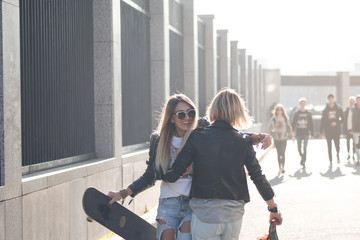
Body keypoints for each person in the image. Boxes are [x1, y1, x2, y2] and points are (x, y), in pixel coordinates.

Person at [107, 93, 273, 240]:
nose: (187, 117)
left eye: (191, 112)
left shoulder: (199, 131)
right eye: (181, 114)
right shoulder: (159, 140)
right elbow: (150, 175)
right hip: (168, 203)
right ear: (172, 117)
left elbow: (228, 134)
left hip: (193, 204)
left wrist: (258, 137)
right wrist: (123, 193)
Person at [163, 88, 283, 240]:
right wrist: (273, 208)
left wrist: (157, 169)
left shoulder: (196, 137)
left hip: (204, 214)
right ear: (238, 111)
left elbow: (173, 174)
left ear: (213, 108)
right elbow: (258, 176)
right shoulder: (243, 141)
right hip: (233, 215)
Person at [320, 94, 344, 167]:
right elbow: (322, 121)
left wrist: (337, 123)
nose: (331, 100)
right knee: (329, 146)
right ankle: (330, 161)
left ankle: (337, 155)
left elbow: (343, 118)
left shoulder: (338, 108)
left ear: (333, 99)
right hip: (328, 131)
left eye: (332, 98)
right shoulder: (325, 110)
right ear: (328, 100)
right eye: (329, 99)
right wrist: (321, 132)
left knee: (337, 145)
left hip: (336, 130)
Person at [269, 104, 293, 174]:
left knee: (282, 153)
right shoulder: (273, 119)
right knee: (278, 153)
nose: (279, 111)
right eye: (278, 109)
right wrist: (274, 126)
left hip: (284, 138)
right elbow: (269, 129)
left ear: (283, 111)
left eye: (281, 109)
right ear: (276, 111)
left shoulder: (285, 118)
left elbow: (289, 127)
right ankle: (279, 167)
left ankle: (283, 167)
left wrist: (292, 136)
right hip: (276, 138)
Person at [292, 98, 314, 168]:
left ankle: (304, 161)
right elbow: (293, 123)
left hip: (306, 132)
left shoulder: (308, 113)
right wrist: (293, 132)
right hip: (299, 132)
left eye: (304, 103)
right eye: (301, 103)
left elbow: (311, 124)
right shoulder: (297, 113)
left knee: (305, 147)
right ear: (300, 104)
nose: (303, 104)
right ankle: (302, 157)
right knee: (299, 147)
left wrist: (312, 134)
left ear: (305, 104)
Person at [343, 96, 356, 162]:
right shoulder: (346, 111)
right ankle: (348, 154)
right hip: (348, 129)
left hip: (354, 130)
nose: (351, 103)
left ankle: (354, 154)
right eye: (350, 102)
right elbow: (344, 122)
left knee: (354, 143)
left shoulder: (356, 111)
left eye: (353, 102)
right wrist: (344, 131)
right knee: (347, 142)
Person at [352, 95, 360, 165]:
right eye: (358, 100)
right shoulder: (353, 109)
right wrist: (350, 128)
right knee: (357, 145)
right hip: (355, 130)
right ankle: (358, 159)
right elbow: (350, 119)